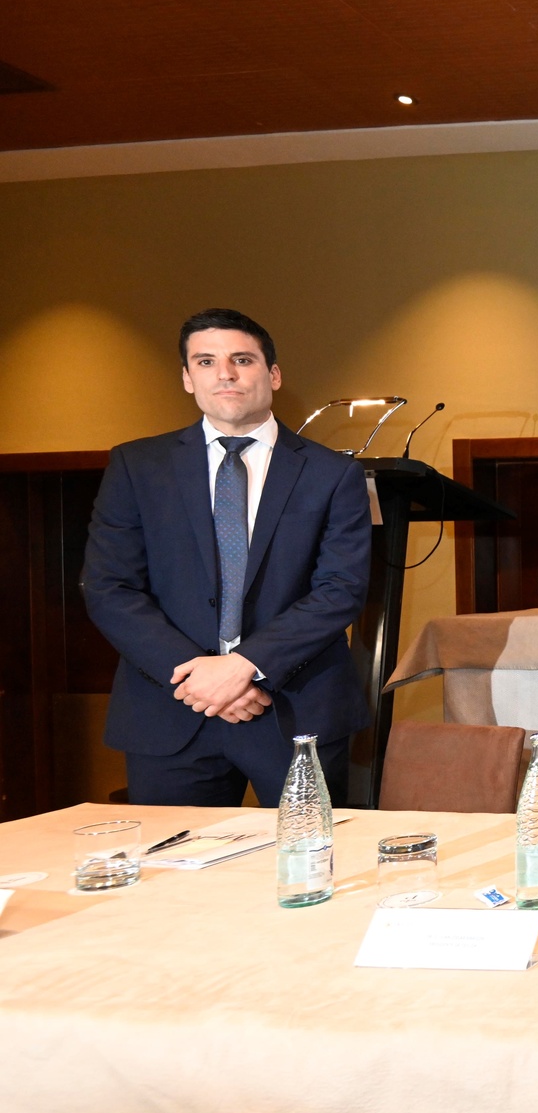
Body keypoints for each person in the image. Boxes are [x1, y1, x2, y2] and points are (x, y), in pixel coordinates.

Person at [81, 309, 371, 806]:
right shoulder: (137, 466)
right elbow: (110, 587)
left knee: (313, 871)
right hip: (170, 711)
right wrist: (198, 676)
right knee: (174, 877)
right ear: (188, 378)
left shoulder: (333, 474)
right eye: (206, 361)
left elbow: (340, 589)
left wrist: (245, 667)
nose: (226, 373)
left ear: (273, 374)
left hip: (295, 711)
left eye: (242, 359)